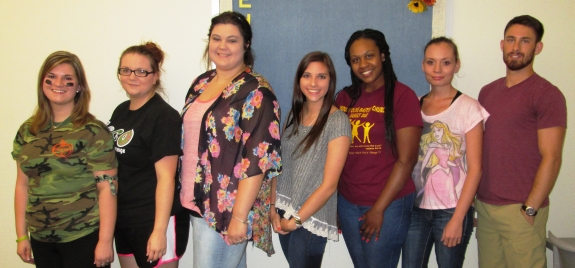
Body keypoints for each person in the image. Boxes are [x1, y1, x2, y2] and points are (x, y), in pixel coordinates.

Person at [179, 11, 281, 268]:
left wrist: (239, 217)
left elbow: (259, 159)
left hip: (226, 212)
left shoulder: (256, 91)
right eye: (216, 38)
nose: (222, 46)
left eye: (232, 40)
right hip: (197, 202)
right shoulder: (200, 83)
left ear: (246, 45)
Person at [476, 15, 567, 268]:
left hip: (521, 210)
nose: (516, 47)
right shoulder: (487, 91)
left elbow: (552, 156)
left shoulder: (547, 94)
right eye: (511, 40)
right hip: (485, 207)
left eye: (525, 41)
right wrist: (476, 202)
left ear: (537, 47)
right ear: (502, 44)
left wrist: (530, 209)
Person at [12, 51, 118, 268]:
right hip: (41, 238)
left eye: (67, 79)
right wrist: (22, 235)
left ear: (79, 86)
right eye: (52, 76)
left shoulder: (92, 131)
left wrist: (105, 241)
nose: (58, 83)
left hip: (83, 236)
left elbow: (108, 188)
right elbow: (22, 185)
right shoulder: (28, 131)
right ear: (42, 82)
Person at [335, 29, 423, 267]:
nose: (363, 64)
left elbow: (407, 160)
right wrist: (335, 202)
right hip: (348, 202)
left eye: (369, 56)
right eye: (355, 60)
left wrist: (378, 209)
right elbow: (334, 155)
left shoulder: (403, 96)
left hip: (389, 204)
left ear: (383, 55)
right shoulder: (344, 98)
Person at [402, 37, 489, 268]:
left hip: (452, 209)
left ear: (457, 65)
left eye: (446, 62)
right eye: (431, 62)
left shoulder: (469, 108)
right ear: (423, 65)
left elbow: (476, 169)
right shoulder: (414, 104)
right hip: (416, 209)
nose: (437, 69)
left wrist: (459, 218)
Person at [108, 42, 189, 268]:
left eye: (142, 71)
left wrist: (159, 232)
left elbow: (166, 178)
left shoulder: (164, 117)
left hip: (154, 220)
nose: (132, 76)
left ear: (155, 77)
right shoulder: (121, 111)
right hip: (124, 218)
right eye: (125, 70)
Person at [270, 51, 351, 267]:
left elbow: (329, 185)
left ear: (330, 80)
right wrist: (272, 207)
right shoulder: (292, 115)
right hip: (283, 211)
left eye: (321, 76)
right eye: (307, 75)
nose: (313, 83)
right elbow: (279, 165)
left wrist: (296, 221)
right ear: (299, 80)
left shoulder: (337, 121)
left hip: (309, 218)